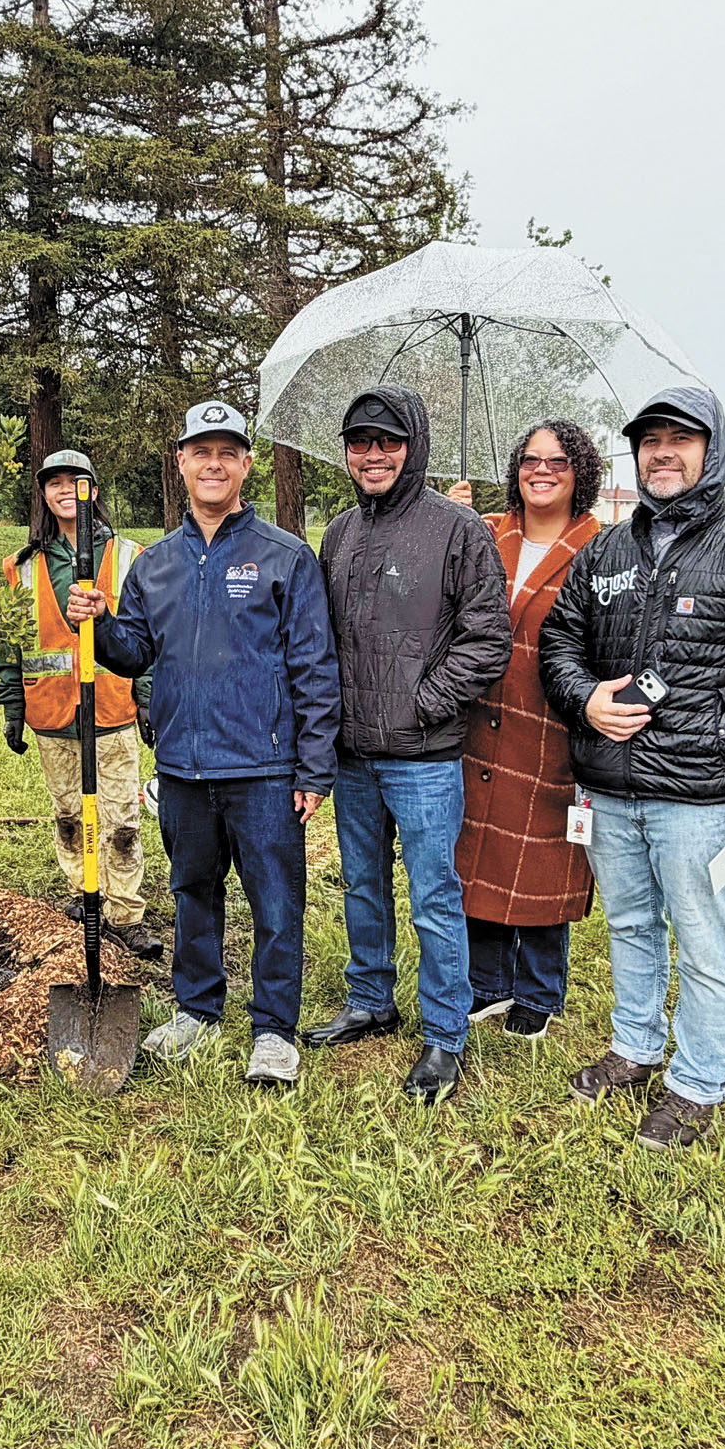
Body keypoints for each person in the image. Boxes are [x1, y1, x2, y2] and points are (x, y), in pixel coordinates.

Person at [537, 387, 725, 1149]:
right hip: (608, 788)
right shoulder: (605, 552)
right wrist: (586, 698)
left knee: (706, 942)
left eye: (680, 439)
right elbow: (559, 643)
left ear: (711, 450)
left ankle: (696, 1084)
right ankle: (634, 1047)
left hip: (701, 798)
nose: (662, 452)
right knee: (630, 925)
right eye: (650, 440)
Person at [66, 401, 341, 1088]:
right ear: (181, 463)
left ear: (246, 464)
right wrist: (99, 624)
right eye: (201, 452)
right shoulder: (156, 564)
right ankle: (197, 1009)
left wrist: (314, 768)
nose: (213, 464)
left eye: (227, 452)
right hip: (183, 769)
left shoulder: (286, 557)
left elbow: (315, 668)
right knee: (192, 891)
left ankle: (273, 1029)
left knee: (276, 903)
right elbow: (132, 652)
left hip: (265, 769)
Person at [302, 386, 510, 1104]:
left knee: (433, 896)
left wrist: (424, 702)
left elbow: (488, 639)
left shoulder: (459, 530)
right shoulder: (338, 534)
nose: (373, 455)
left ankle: (445, 1033)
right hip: (352, 754)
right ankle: (370, 998)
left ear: (412, 446)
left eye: (387, 441)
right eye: (359, 442)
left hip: (423, 756)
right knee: (362, 883)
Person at [443, 419, 608, 1039]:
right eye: (531, 460)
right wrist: (450, 519)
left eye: (558, 461)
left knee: (545, 858)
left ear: (579, 473)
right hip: (478, 722)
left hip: (552, 723)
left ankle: (538, 989)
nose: (542, 471)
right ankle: (487, 983)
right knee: (480, 851)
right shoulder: (483, 531)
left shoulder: (601, 548)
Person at [0, 449, 157, 958]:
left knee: (122, 823)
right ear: (44, 494)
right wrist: (13, 707)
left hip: (111, 710)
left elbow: (148, 635)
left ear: (93, 490)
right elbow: (9, 643)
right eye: (55, 482)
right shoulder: (21, 568)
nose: (66, 490)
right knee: (68, 816)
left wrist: (146, 697)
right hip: (52, 713)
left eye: (75, 481)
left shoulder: (130, 557)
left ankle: (125, 912)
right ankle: (82, 895)